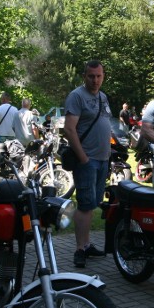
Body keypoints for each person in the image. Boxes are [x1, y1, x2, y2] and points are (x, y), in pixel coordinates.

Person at [63, 60, 112, 268]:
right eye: (91, 76)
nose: (95, 80)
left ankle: (87, 244)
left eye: (99, 76)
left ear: (103, 76)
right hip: (87, 160)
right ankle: (80, 249)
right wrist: (83, 157)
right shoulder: (77, 96)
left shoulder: (103, 97)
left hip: (102, 160)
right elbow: (69, 129)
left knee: (92, 203)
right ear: (85, 76)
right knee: (84, 204)